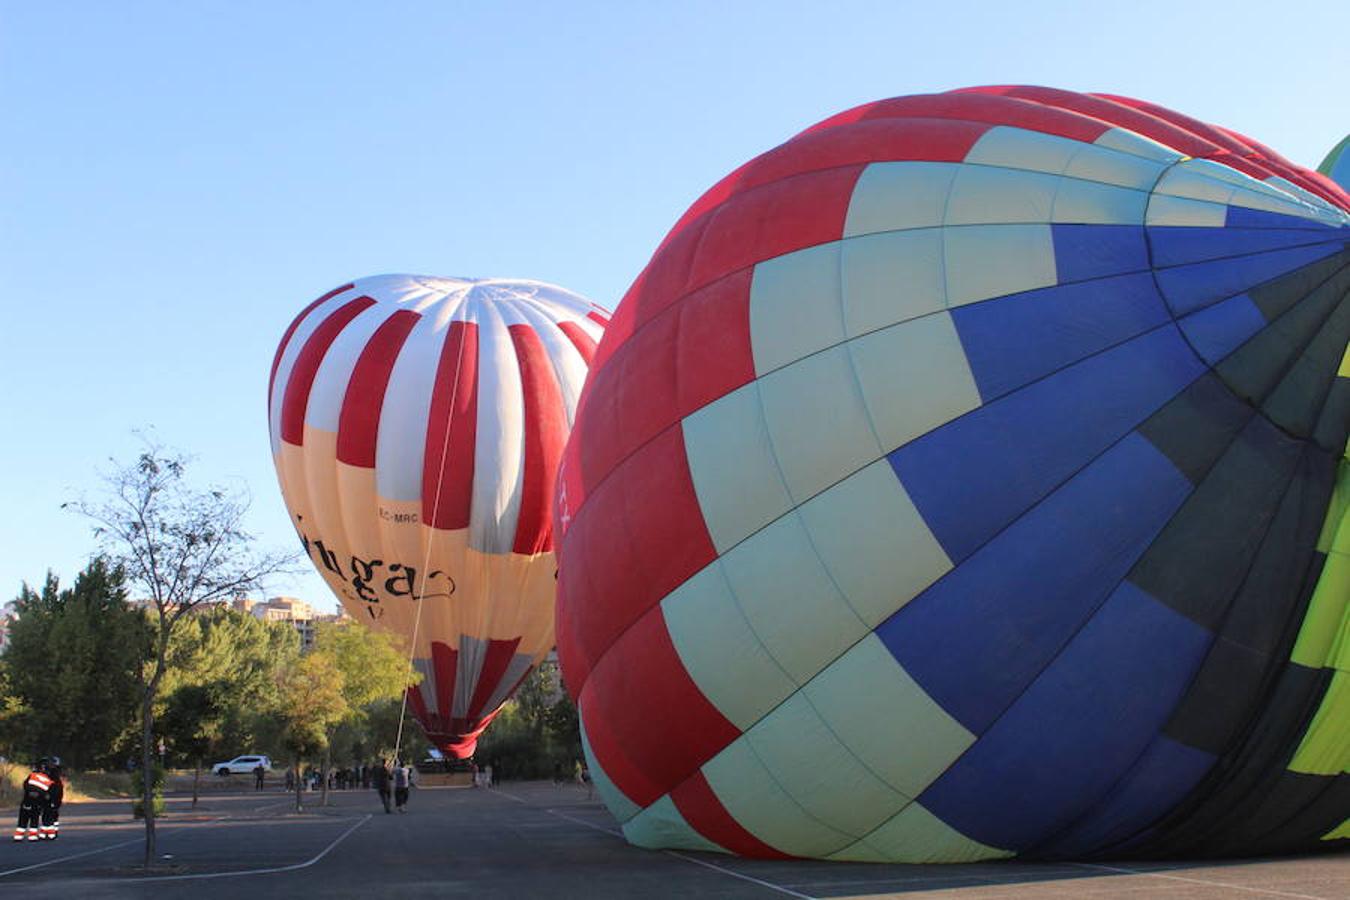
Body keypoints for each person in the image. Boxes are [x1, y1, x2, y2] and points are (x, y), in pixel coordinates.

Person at [13, 758, 54, 842]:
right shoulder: (49, 781)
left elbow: (25, 785)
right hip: (37, 804)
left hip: (26, 801)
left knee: (22, 819)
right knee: (34, 819)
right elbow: (47, 796)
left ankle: (18, 836)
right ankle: (32, 837)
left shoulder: (32, 775)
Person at [41, 757, 63, 840]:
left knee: (50, 815)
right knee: (49, 815)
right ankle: (50, 833)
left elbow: (55, 788)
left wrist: (52, 798)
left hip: (53, 798)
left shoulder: (54, 774)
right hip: (52, 798)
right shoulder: (52, 773)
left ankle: (51, 834)